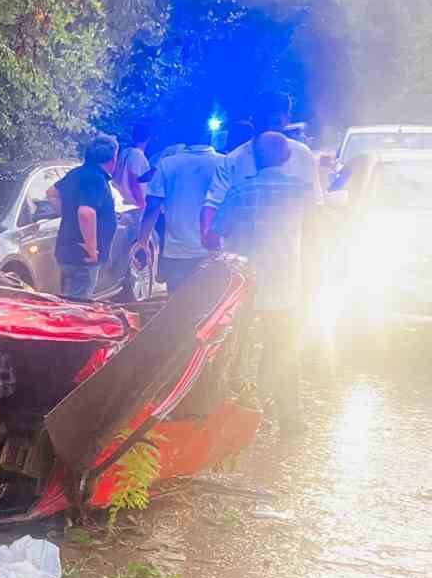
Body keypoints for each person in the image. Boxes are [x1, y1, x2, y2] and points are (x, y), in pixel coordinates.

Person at [206, 131, 314, 431]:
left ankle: (221, 419)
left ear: (253, 157)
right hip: (286, 285)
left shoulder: (240, 192)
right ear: (288, 156)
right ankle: (288, 416)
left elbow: (214, 233)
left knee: (231, 349)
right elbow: (320, 233)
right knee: (282, 349)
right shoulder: (302, 192)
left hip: (244, 287)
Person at [201, 91, 322, 246]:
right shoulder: (233, 161)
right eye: (265, 122)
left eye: (275, 122)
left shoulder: (303, 155)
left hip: (264, 262)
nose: (270, 129)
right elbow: (212, 206)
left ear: (286, 119)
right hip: (254, 263)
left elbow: (315, 214)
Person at [131, 134, 221, 291]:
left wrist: (142, 241)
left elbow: (153, 205)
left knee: (177, 305)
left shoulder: (168, 164)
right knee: (211, 307)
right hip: (215, 249)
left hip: (178, 251)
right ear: (211, 137)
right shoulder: (224, 163)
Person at [51, 135, 119, 301]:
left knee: (67, 301)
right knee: (77, 306)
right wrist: (91, 248)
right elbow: (86, 212)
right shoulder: (96, 179)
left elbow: (52, 193)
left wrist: (68, 215)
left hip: (67, 251)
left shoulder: (76, 174)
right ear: (112, 159)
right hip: (83, 256)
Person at [118, 123, 154, 209]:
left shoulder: (125, 152)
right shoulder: (137, 154)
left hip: (123, 203)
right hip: (133, 205)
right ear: (149, 138)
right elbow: (133, 179)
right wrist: (141, 203)